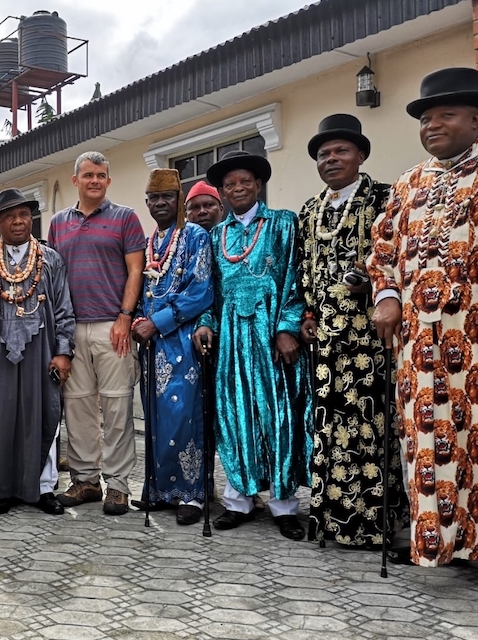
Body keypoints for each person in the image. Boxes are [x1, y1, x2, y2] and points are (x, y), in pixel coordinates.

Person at [367, 67, 478, 594]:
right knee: (428, 443)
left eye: (445, 115)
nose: (432, 125)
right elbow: (382, 250)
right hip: (417, 343)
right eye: (426, 118)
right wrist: (386, 297)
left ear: (476, 119)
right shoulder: (410, 181)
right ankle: (439, 542)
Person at [298, 114, 408, 548]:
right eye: (324, 154)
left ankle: (381, 524)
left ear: (360, 155)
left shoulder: (384, 198)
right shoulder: (311, 209)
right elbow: (304, 268)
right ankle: (333, 519)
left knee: (374, 425)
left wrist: (376, 285)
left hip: (370, 336)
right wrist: (307, 315)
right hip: (326, 338)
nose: (331, 159)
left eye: (341, 151)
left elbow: (397, 253)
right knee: (329, 425)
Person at [194, 150, 312, 540]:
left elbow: (295, 279)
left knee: (277, 417)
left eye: (245, 181)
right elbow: (210, 291)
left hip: (270, 339)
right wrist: (207, 324)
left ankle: (283, 505)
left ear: (258, 185)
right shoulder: (216, 236)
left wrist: (287, 328)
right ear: (223, 193)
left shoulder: (283, 224)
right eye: (230, 184)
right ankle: (238, 501)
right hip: (230, 340)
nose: (238, 188)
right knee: (234, 417)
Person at [47, 151, 145, 515]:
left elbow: (135, 271)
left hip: (111, 325)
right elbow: (54, 278)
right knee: (78, 407)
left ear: (108, 180)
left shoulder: (125, 218)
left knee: (118, 405)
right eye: (87, 175)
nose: (94, 181)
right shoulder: (58, 223)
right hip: (71, 328)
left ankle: (117, 485)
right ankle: (85, 480)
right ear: (75, 180)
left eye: (101, 175)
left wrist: (124, 316)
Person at [0, 189, 75, 516]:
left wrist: (63, 352)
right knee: (2, 419)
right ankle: (2, 489)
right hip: (1, 352)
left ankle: (44, 487)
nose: (18, 221)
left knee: (43, 415)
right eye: (10, 216)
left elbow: (64, 309)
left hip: (43, 348)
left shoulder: (50, 258)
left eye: (23, 215)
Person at [132, 169, 214, 525]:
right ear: (147, 203)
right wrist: (137, 321)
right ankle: (161, 491)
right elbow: (140, 291)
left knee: (185, 416)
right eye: (154, 198)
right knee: (157, 418)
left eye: (167, 197)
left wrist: (157, 322)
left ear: (178, 201)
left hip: (182, 339)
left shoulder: (194, 236)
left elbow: (201, 290)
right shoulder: (151, 242)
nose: (160, 203)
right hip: (151, 346)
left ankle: (192, 496)